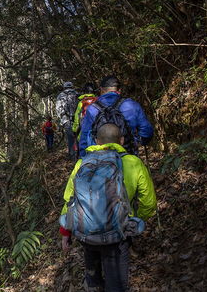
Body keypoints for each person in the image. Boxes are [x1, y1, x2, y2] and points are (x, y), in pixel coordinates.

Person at [60, 123, 157, 292]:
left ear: (97, 141)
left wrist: (65, 233)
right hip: (117, 235)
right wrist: (134, 222)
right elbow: (149, 203)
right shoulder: (133, 163)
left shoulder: (82, 163)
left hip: (87, 235)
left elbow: (69, 200)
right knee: (116, 285)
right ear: (122, 140)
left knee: (93, 281)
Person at [78, 76, 154, 158]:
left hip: (100, 158)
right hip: (128, 155)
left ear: (101, 90)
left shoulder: (92, 109)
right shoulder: (132, 105)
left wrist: (84, 158)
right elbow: (147, 131)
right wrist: (139, 142)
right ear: (119, 90)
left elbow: (84, 138)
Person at [72, 83, 97, 152]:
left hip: (84, 129)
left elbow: (77, 117)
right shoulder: (98, 100)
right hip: (97, 131)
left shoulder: (81, 102)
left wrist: (74, 129)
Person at [56, 81, 78, 160]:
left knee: (70, 139)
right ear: (72, 87)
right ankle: (79, 155)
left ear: (64, 87)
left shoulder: (60, 96)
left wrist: (62, 120)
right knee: (78, 137)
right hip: (78, 120)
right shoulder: (77, 94)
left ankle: (72, 156)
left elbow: (58, 109)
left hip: (66, 120)